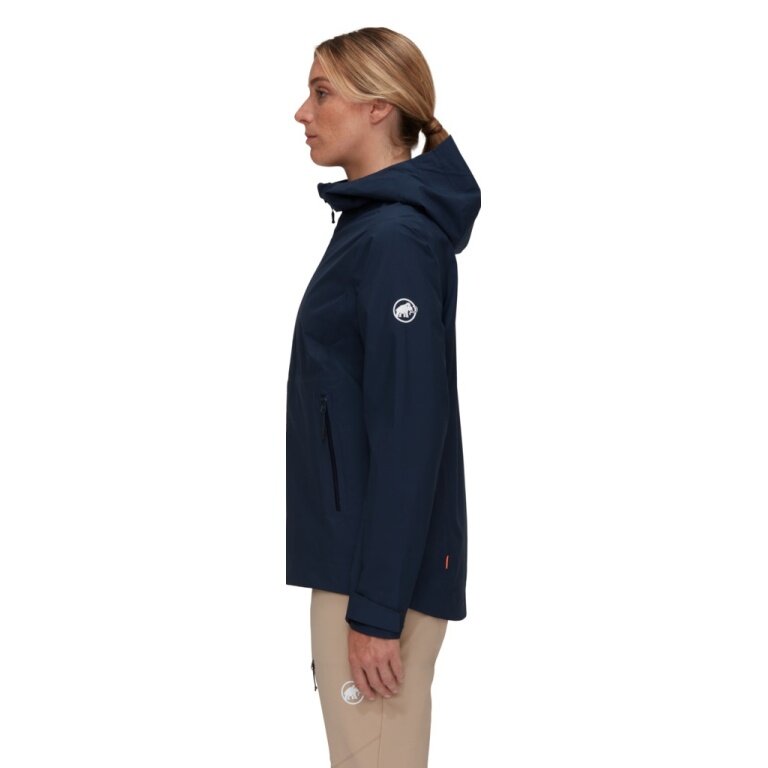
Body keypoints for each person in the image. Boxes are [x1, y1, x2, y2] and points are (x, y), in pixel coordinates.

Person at [286, 26, 481, 767]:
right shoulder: (373, 228)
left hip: (373, 580)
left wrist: (374, 609)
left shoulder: (395, 238)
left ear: (378, 107)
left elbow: (410, 430)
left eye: (321, 92)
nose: (302, 112)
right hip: (365, 568)